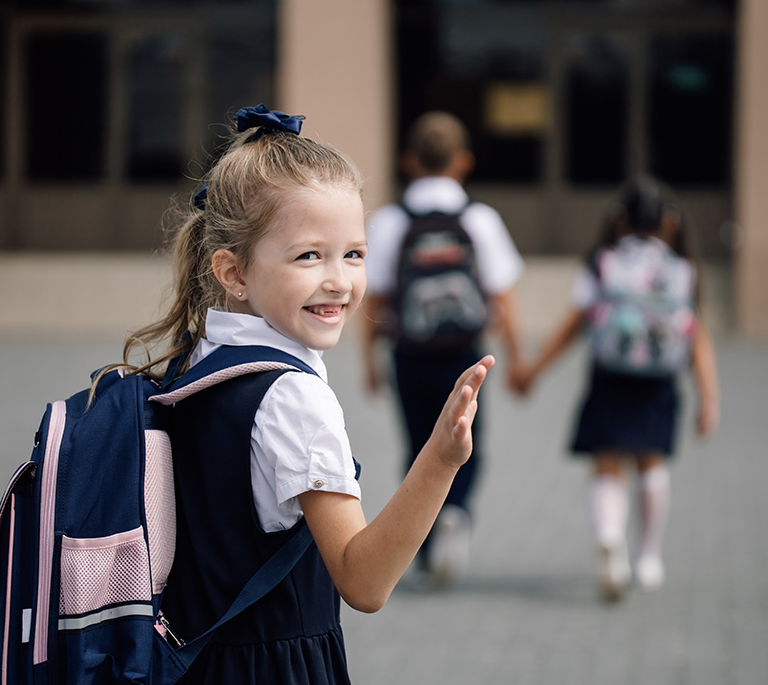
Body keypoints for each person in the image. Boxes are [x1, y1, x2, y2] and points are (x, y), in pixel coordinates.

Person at [111, 105, 493, 683]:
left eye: (354, 253)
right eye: (309, 255)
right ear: (233, 273)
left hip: (197, 659)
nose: (339, 279)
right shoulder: (292, 396)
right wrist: (440, 461)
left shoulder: (202, 356)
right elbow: (363, 582)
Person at [512, 177, 719, 602]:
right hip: (659, 379)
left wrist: (534, 369)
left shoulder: (603, 262)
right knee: (651, 461)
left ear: (619, 219)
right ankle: (648, 557)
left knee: (607, 464)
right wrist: (709, 397)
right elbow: (697, 337)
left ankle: (609, 539)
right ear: (670, 221)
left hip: (609, 375)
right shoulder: (683, 269)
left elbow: (575, 324)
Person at [361, 111, 523, 587]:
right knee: (467, 443)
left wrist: (370, 361)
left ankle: (427, 547)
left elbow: (377, 297)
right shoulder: (479, 219)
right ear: (463, 162)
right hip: (466, 355)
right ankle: (456, 511)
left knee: (417, 446)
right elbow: (502, 296)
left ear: (408, 161)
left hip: (408, 353)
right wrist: (518, 360)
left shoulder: (391, 221)